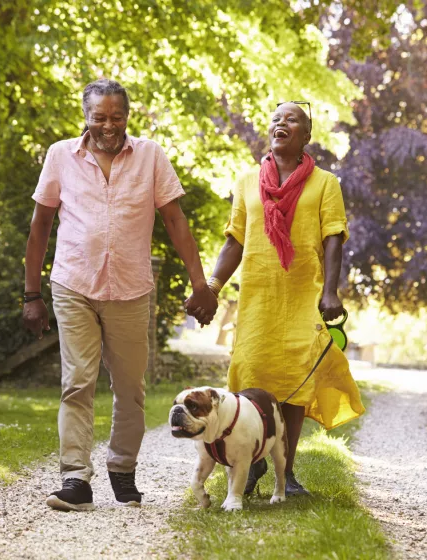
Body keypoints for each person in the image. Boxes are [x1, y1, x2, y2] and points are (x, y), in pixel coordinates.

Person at [23, 79, 217, 511]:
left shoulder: (150, 156)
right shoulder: (60, 156)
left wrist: (199, 283)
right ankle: (75, 479)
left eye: (117, 117)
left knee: (130, 389)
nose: (108, 126)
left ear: (127, 116)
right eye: (99, 117)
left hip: (130, 290)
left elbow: (174, 219)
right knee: (77, 383)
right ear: (86, 118)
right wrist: (31, 294)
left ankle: (122, 469)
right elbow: (40, 226)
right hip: (74, 284)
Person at [187, 102, 365, 496]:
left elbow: (333, 236)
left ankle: (288, 472)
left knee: (294, 385)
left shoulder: (325, 183)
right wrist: (212, 287)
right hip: (258, 297)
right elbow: (236, 238)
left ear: (306, 135)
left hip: (303, 295)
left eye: (292, 119)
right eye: (276, 119)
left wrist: (330, 291)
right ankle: (251, 463)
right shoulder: (248, 181)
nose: (281, 123)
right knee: (250, 376)